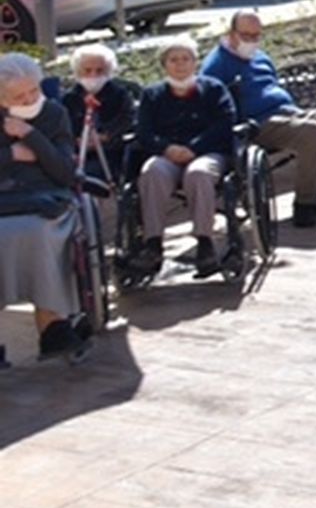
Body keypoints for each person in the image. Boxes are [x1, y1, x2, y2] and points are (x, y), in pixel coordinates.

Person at [203, 12, 316, 228]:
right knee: (311, 132)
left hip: (288, 112)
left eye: (257, 36)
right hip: (257, 123)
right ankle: (304, 204)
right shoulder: (217, 64)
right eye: (246, 36)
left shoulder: (260, 56)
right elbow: (211, 104)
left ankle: (313, 192)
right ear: (231, 34)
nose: (252, 41)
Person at [0, 52, 91, 362]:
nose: (29, 100)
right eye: (18, 96)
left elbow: (65, 171)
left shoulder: (53, 113)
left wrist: (31, 136)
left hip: (46, 197)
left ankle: (52, 324)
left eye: (33, 91)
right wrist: (11, 155)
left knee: (39, 232)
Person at [127, 36, 238, 278]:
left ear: (195, 62)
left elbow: (224, 123)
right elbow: (144, 132)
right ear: (164, 64)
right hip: (167, 154)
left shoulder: (213, 89)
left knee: (198, 173)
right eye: (173, 60)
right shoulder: (152, 94)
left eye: (185, 59)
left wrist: (193, 148)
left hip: (207, 152)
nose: (180, 64)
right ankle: (153, 244)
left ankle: (205, 243)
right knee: (151, 172)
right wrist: (166, 148)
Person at [60, 43, 135, 179]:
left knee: (91, 175)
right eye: (87, 70)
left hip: (110, 153)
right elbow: (63, 125)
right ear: (78, 71)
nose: (93, 75)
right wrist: (77, 140)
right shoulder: (69, 98)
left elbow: (127, 119)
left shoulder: (119, 94)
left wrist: (105, 136)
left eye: (99, 70)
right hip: (76, 153)